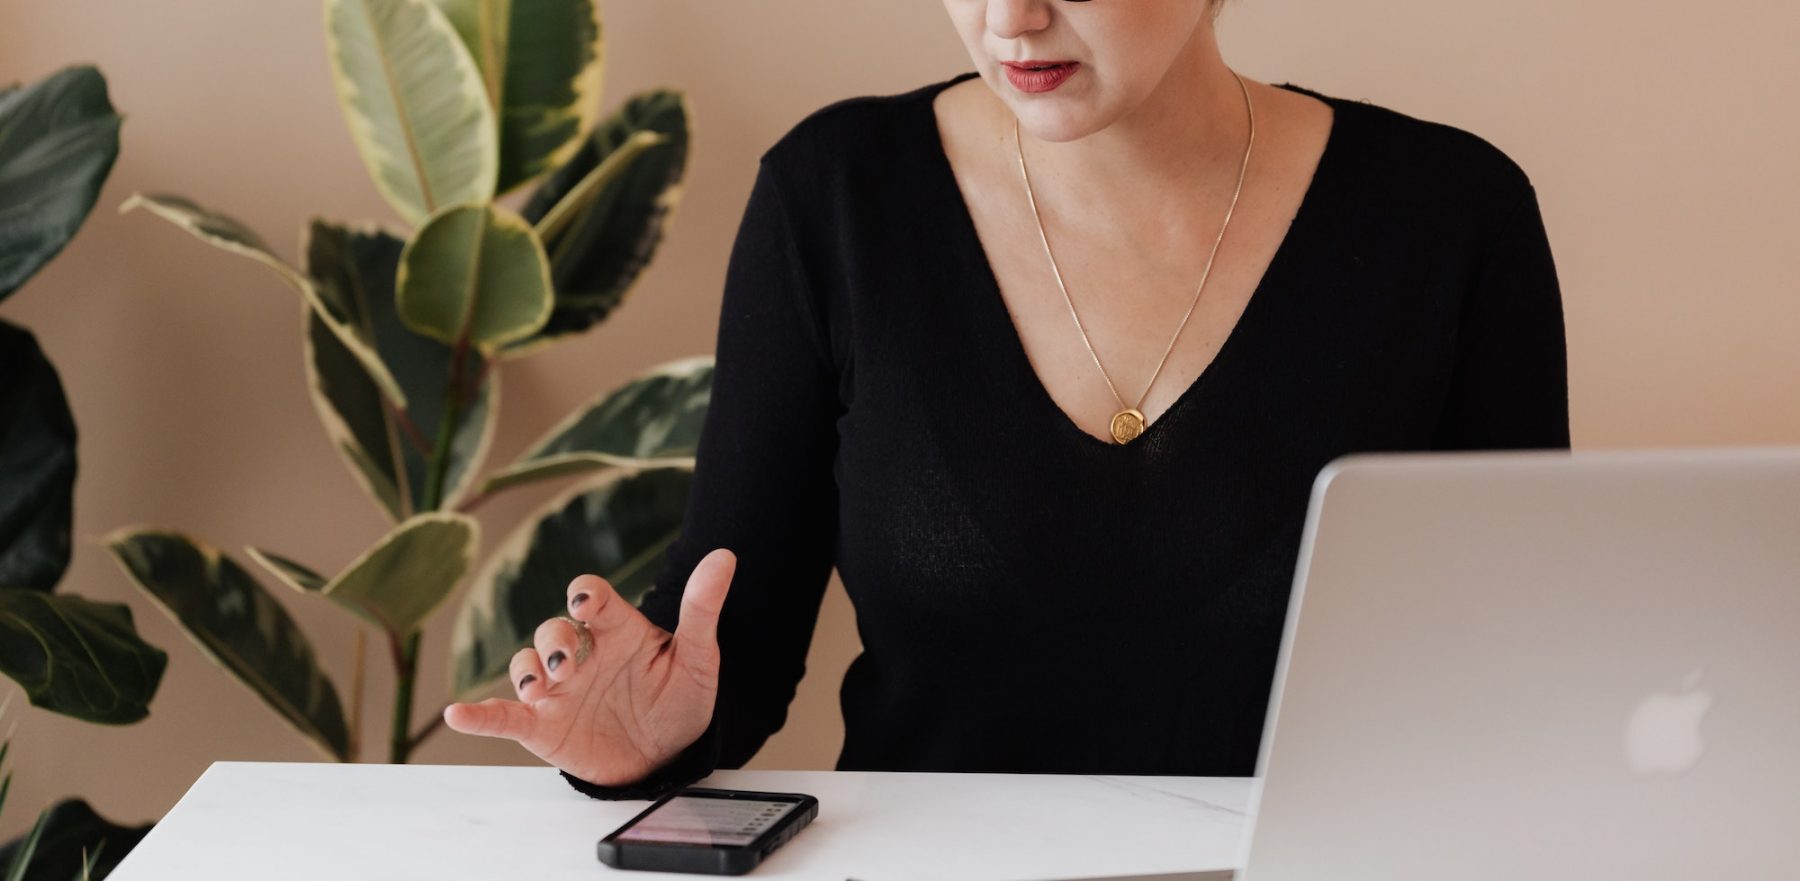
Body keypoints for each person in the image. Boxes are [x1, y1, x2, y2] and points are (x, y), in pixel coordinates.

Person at [443, 0, 1570, 800]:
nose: (1009, 16)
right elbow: (732, 634)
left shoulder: (1451, 217)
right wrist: (657, 731)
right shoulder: (833, 198)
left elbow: (1526, 660)